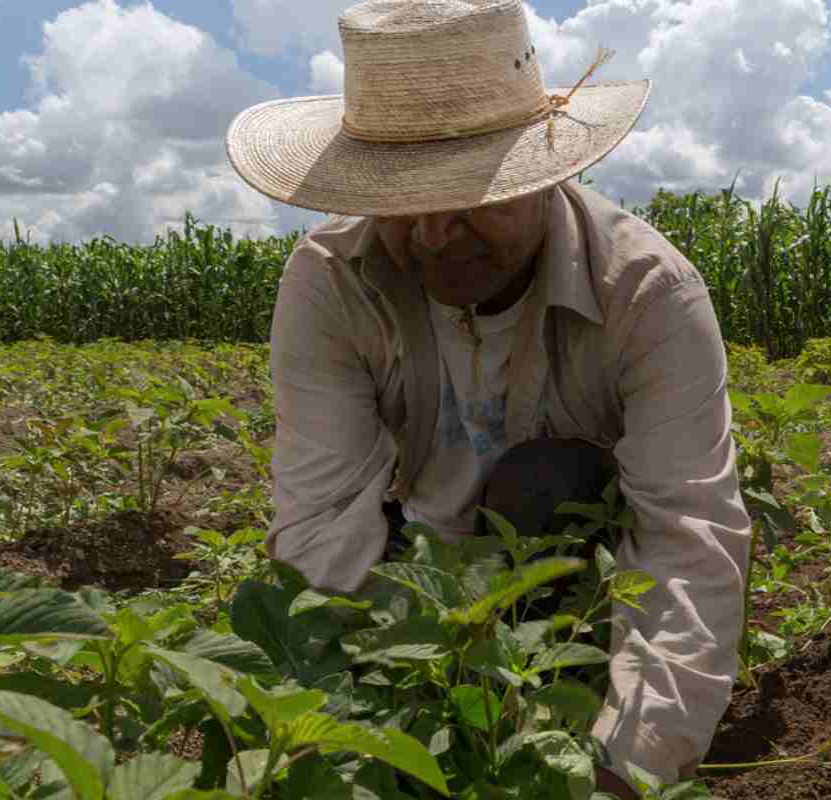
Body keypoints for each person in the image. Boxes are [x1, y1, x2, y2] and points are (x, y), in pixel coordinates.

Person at [224, 2, 752, 798]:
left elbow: (685, 535)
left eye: (473, 196)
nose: (437, 233)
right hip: (417, 565)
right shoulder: (332, 280)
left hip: (582, 574)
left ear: (548, 176)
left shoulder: (647, 293)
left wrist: (627, 765)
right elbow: (324, 520)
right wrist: (351, 726)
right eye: (406, 201)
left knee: (544, 481)